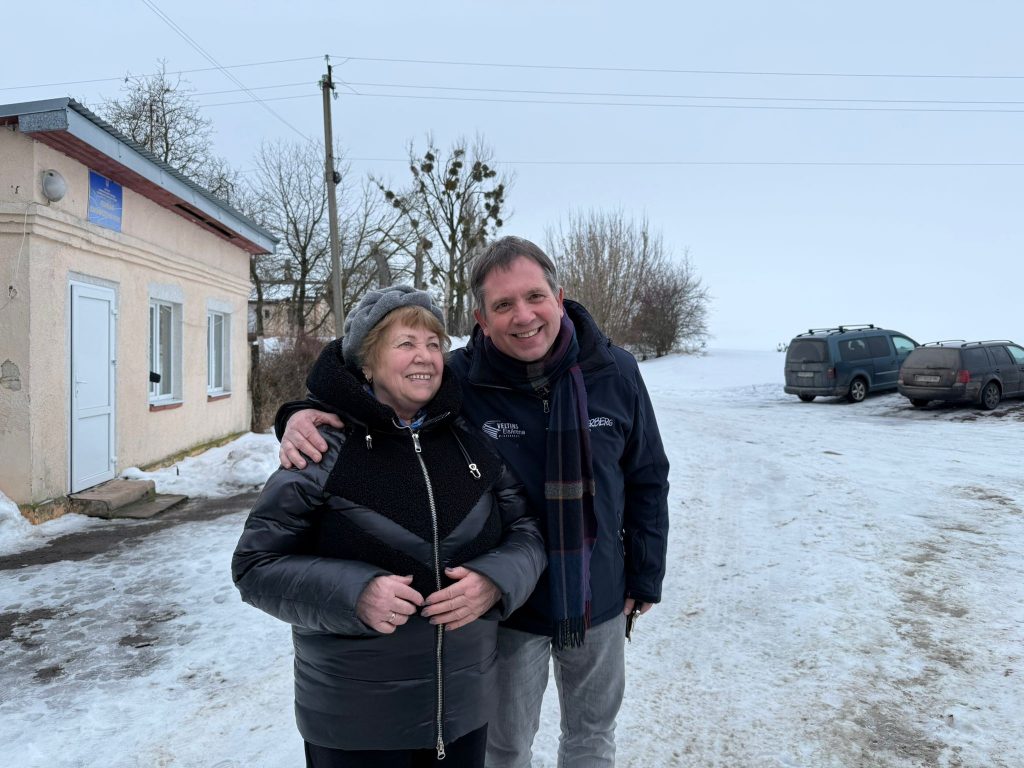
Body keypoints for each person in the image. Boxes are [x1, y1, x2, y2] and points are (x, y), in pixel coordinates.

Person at [278, 237, 670, 767]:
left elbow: (647, 477)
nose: (523, 316)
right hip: (507, 607)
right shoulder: (459, 380)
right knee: (504, 747)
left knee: (592, 737)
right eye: (503, 305)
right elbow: (371, 384)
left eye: (535, 297)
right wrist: (301, 413)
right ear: (481, 319)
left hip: (597, 591)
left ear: (559, 297)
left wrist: (645, 574)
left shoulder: (615, 371)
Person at [232, 285, 546, 768]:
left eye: (433, 344)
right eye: (405, 343)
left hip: (463, 714)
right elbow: (255, 566)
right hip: (356, 725)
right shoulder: (322, 448)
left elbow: (527, 530)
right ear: (367, 363)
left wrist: (495, 580)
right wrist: (354, 594)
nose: (424, 356)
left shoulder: (468, 441)